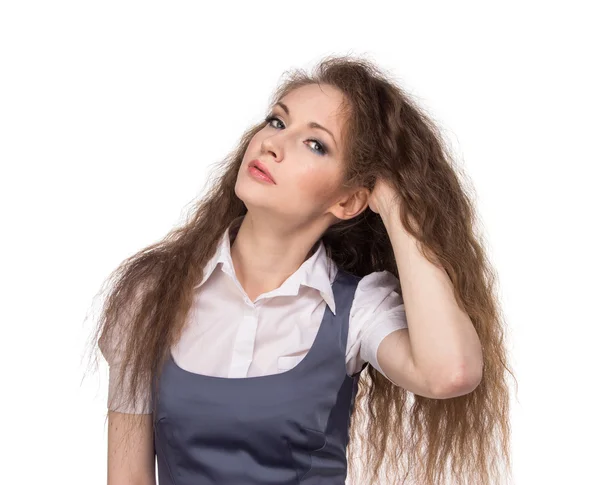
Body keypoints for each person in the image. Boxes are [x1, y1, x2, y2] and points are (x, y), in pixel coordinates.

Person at [91, 55, 514, 485]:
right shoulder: (149, 293)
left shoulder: (358, 310)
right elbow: (126, 478)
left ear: (348, 202)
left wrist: (393, 201)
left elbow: (451, 372)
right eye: (277, 122)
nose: (271, 145)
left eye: (316, 144)